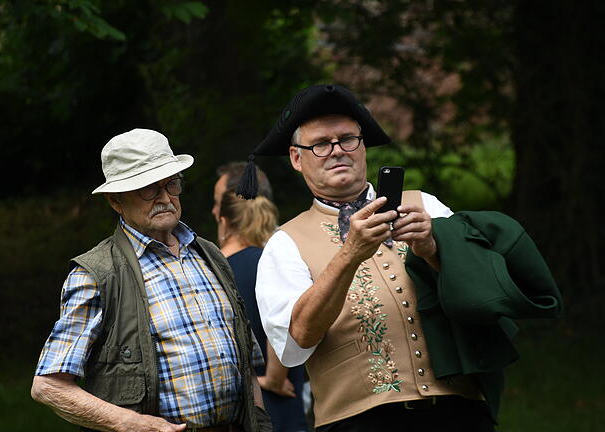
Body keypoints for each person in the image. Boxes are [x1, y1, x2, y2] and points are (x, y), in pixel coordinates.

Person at [234, 84, 563, 431]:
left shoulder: (425, 205)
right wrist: (349, 255)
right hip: (359, 423)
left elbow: (483, 297)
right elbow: (295, 342)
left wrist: (434, 249)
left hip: (459, 412)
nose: (337, 152)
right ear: (297, 158)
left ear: (363, 146)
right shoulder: (285, 243)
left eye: (348, 139)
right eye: (320, 144)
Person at [31, 128, 273, 432]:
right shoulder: (97, 274)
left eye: (171, 184)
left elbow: (246, 363)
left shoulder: (210, 255)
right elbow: (48, 386)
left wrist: (260, 424)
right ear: (115, 201)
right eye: (148, 189)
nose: (165, 198)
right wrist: (132, 424)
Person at [213, 162, 309, 432]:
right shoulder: (276, 260)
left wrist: (271, 378)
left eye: (216, 203)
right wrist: (272, 380)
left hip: (238, 407)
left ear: (224, 218)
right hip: (278, 401)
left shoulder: (213, 272)